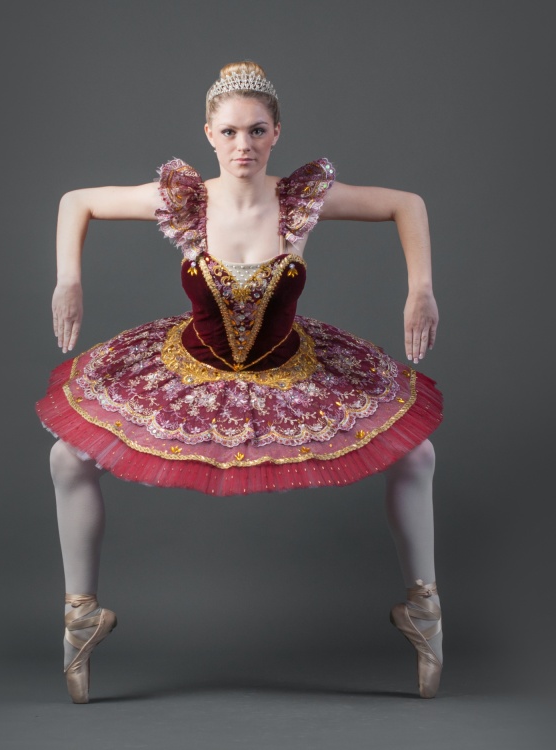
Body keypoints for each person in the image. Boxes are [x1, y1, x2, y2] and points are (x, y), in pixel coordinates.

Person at [36, 61, 444, 703]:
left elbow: (406, 204)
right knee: (67, 457)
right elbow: (76, 202)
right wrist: (69, 279)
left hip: (288, 370)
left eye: (256, 131)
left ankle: (424, 610)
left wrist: (420, 289)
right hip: (193, 369)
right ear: (208, 134)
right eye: (228, 132)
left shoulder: (301, 201)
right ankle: (81, 616)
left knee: (417, 454)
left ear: (277, 133)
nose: (243, 146)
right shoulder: (184, 200)